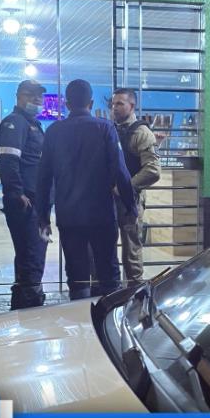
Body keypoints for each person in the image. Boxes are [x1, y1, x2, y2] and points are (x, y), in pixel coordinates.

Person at [36, 80, 138, 300]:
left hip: (69, 216)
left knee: (77, 273)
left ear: (66, 104)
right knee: (108, 270)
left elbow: (43, 177)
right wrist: (131, 206)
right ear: (91, 103)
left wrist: (43, 216)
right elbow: (121, 171)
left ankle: (79, 313)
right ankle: (110, 313)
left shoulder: (53, 132)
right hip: (101, 214)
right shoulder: (105, 128)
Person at [0, 79, 49, 309]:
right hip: (26, 202)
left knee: (32, 256)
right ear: (18, 96)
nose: (36, 99)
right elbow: (8, 160)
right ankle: (29, 308)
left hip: (36, 201)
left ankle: (27, 304)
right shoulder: (14, 123)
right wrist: (17, 194)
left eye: (39, 95)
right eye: (30, 94)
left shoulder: (32, 124)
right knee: (31, 257)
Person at [110, 88, 160, 286]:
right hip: (109, 200)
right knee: (106, 248)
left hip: (129, 200)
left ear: (132, 106)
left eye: (120, 103)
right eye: (113, 104)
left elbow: (153, 171)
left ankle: (134, 293)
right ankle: (112, 293)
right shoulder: (111, 129)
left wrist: (124, 187)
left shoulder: (141, 132)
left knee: (131, 252)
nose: (114, 108)